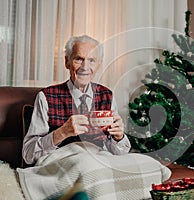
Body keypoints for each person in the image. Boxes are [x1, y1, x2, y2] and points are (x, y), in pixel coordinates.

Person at [22, 35, 131, 165]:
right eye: (79, 59)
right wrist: (62, 133)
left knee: (149, 165)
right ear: (67, 62)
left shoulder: (107, 95)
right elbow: (28, 154)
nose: (85, 67)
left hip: (100, 162)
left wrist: (119, 137)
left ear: (99, 64)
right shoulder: (46, 96)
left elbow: (120, 153)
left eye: (91, 60)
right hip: (63, 164)